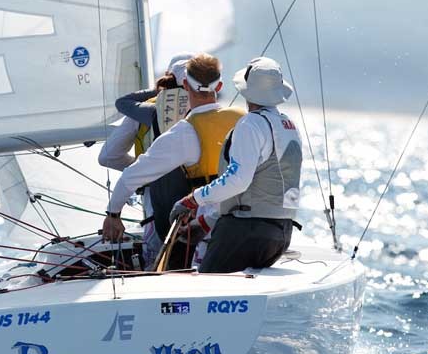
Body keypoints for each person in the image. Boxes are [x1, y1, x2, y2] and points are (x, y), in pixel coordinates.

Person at [101, 53, 246, 267]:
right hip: (243, 221)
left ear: (186, 85)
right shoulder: (243, 118)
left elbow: (129, 175)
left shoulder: (184, 131)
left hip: (203, 226)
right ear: (219, 86)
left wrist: (113, 214)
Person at [169, 57, 303, 273]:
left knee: (204, 292)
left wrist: (193, 199)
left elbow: (237, 180)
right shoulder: (288, 125)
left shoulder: (251, 124)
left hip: (244, 231)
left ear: (247, 90)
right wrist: (206, 222)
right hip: (280, 234)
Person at [98, 54, 193, 266]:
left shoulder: (149, 107)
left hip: (157, 192)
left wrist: (144, 170)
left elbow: (107, 156)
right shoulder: (207, 107)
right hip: (203, 192)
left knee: (160, 253)